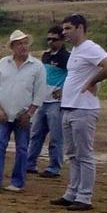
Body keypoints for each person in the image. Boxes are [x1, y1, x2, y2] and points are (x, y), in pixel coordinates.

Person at [50, 14, 107, 211]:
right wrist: (65, 91)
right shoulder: (76, 51)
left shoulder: (90, 48)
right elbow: (77, 76)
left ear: (80, 28)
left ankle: (84, 196)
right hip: (70, 106)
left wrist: (92, 82)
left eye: (68, 28)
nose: (64, 32)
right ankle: (72, 193)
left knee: (84, 154)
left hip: (83, 109)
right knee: (72, 154)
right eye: (64, 29)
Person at [0, 30, 47, 192]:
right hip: (2, 113)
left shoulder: (37, 66)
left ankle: (17, 182)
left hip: (23, 115)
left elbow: (40, 92)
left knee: (22, 148)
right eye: (19, 43)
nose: (23, 46)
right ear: (12, 46)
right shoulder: (3, 63)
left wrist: (29, 113)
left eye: (25, 43)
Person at [26, 26, 69, 178]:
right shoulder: (45, 56)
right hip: (43, 100)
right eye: (48, 39)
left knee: (56, 137)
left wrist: (64, 90)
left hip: (56, 102)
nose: (51, 42)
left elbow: (73, 77)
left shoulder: (66, 57)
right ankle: (29, 163)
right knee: (36, 134)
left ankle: (54, 167)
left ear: (62, 40)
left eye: (54, 39)